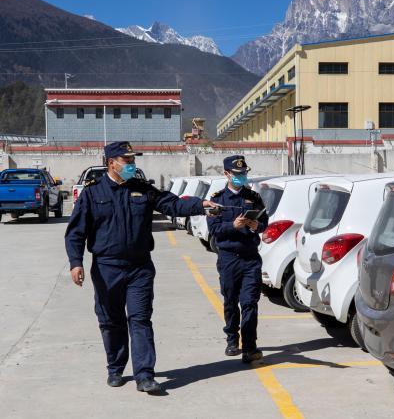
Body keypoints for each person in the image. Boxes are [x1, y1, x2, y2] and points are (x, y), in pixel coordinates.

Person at [65, 141, 219, 393]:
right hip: (106, 268)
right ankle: (115, 368)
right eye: (127, 160)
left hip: (139, 268)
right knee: (111, 321)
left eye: (133, 160)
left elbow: (172, 204)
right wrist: (75, 262)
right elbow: (75, 233)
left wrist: (200, 205)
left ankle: (145, 375)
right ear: (111, 163)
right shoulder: (92, 194)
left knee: (140, 319)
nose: (132, 164)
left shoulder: (142, 189)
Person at [207, 155, 268, 362]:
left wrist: (256, 226)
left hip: (250, 258)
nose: (241, 177)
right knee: (231, 301)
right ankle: (232, 339)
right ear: (226, 174)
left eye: (244, 173)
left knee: (250, 302)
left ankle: (250, 346)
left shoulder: (254, 197)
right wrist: (233, 226)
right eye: (237, 174)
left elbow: (264, 223)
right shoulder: (217, 199)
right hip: (228, 259)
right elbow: (214, 230)